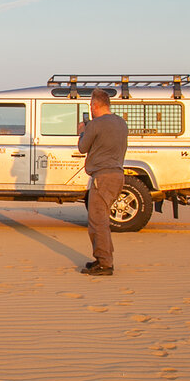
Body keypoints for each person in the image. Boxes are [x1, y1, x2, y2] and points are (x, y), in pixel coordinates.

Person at [77, 89, 129, 276]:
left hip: (103, 177)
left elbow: (83, 148)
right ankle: (102, 258)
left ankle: (105, 263)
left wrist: (82, 132)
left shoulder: (95, 125)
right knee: (102, 219)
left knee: (98, 221)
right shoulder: (121, 123)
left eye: (91, 104)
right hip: (117, 175)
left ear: (95, 105)